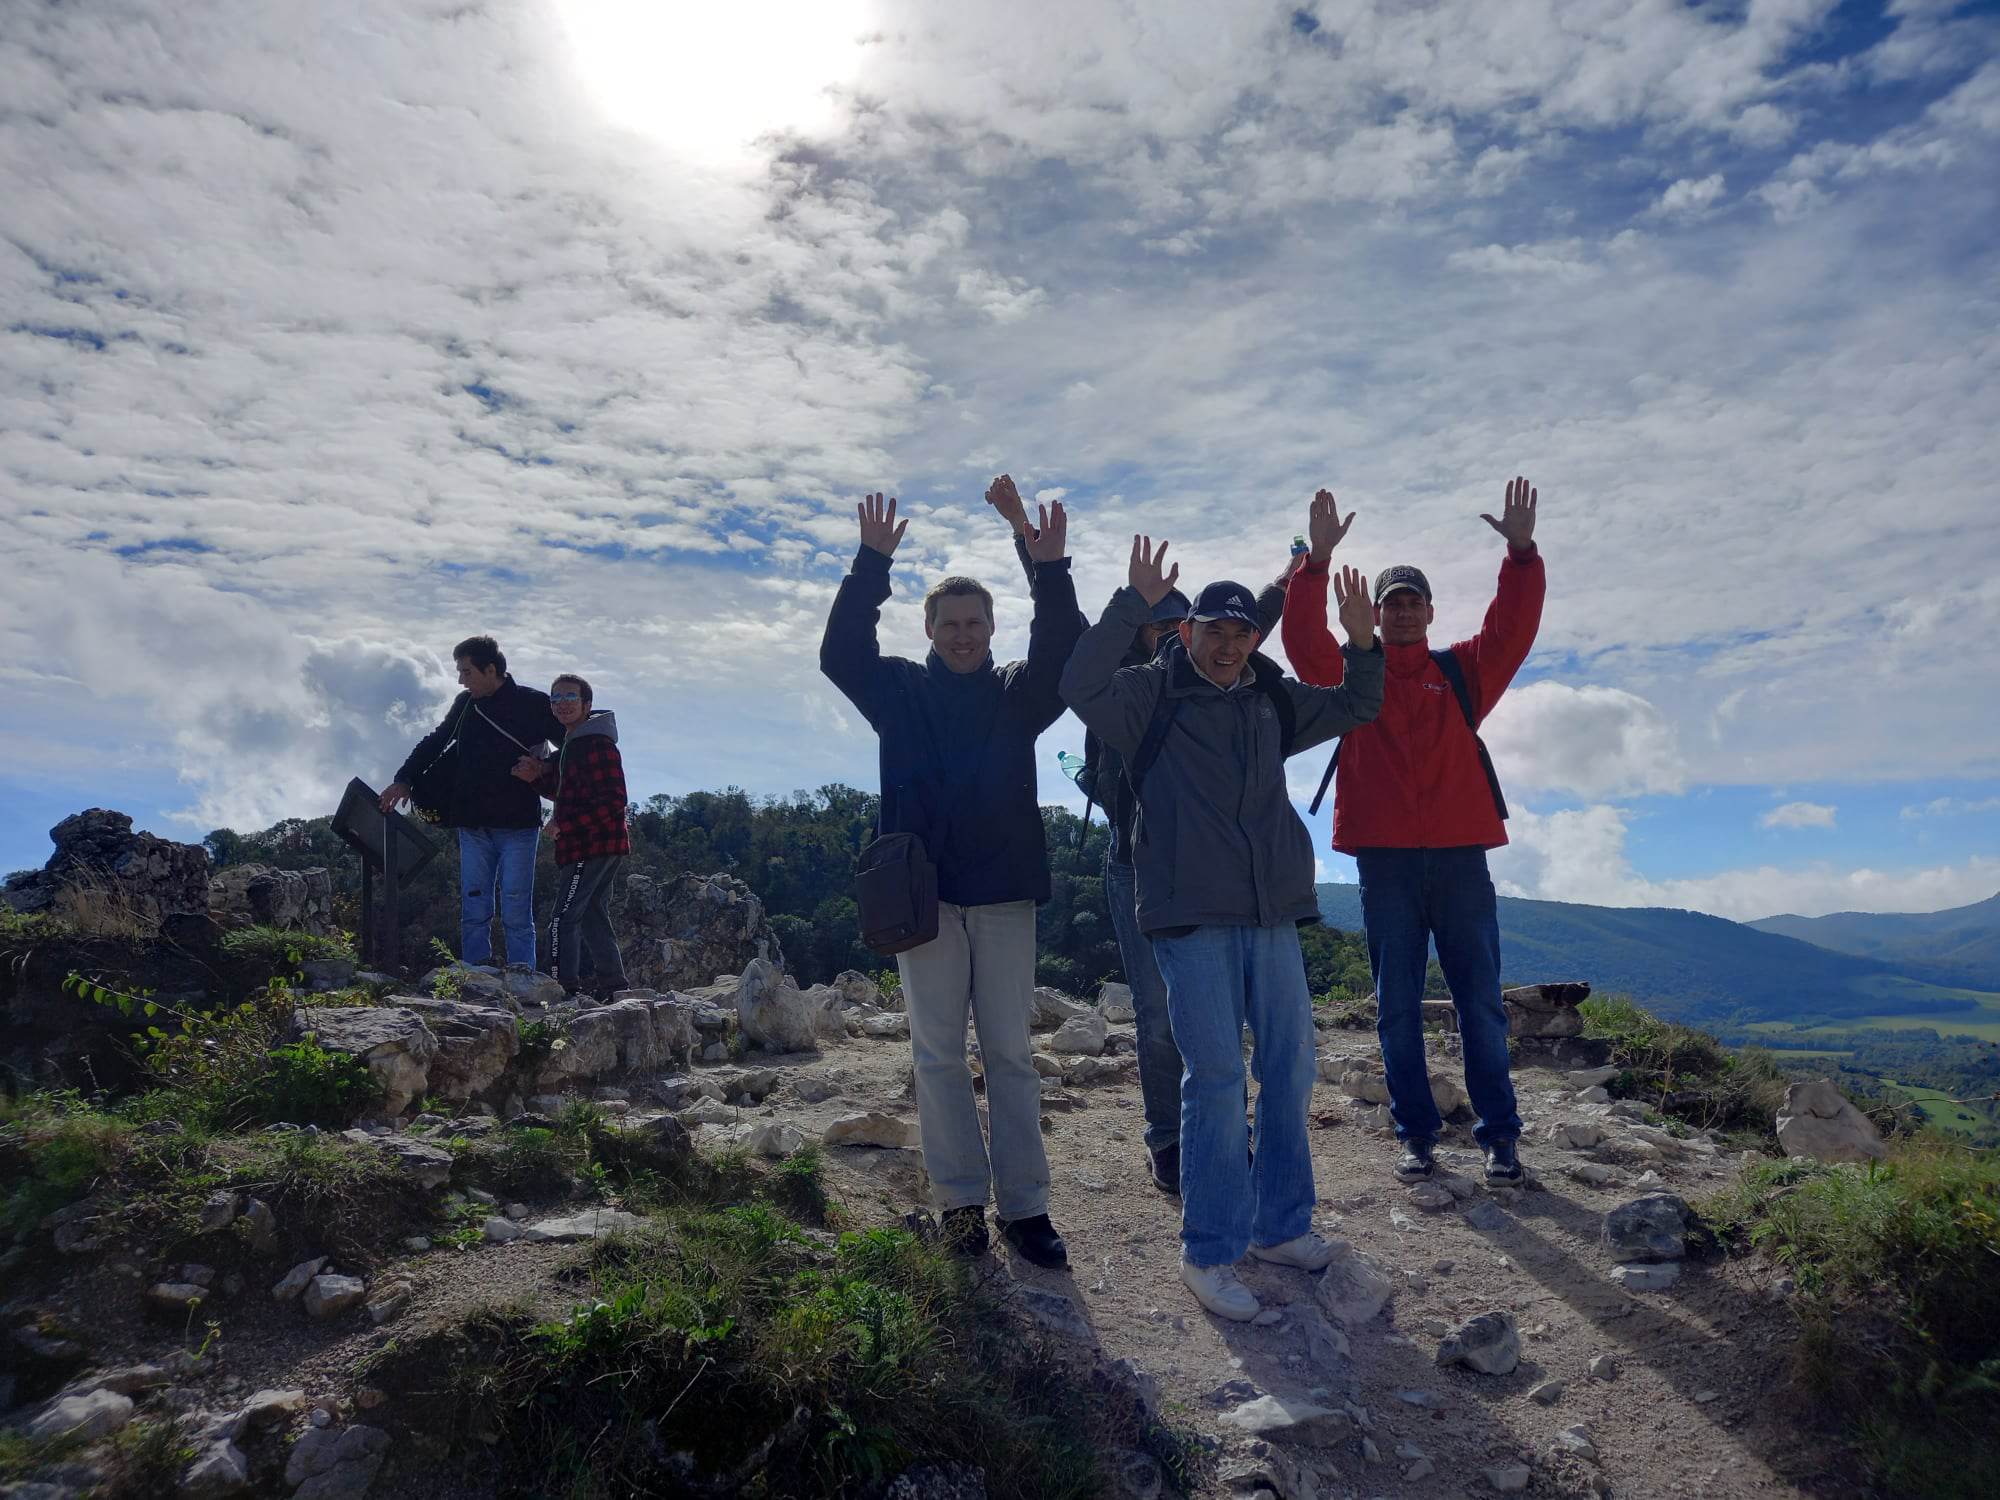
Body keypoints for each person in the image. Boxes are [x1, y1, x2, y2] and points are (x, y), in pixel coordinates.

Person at [1061, 534, 1384, 1322]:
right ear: (1187, 632)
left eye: (1241, 634)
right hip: (1190, 916)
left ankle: (1279, 1228)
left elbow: (1357, 704)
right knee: (1213, 1078)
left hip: (1271, 911)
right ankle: (1208, 1251)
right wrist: (1128, 604)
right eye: (1215, 632)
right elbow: (1077, 683)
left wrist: (1362, 642)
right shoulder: (1148, 695)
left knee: (1289, 1069)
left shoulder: (1269, 697)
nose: (1230, 646)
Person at [819, 480, 1084, 1268]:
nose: (964, 635)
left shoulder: (1018, 695)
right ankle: (961, 1206)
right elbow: (840, 654)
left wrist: (1045, 564)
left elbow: (1063, 647)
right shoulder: (898, 689)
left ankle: (1026, 1210)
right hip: (922, 899)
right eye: (951, 623)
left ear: (992, 629)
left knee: (1009, 1053)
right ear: (928, 628)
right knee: (936, 1054)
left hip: (1003, 896)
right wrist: (871, 564)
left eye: (976, 623)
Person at [1280, 481, 1545, 1185]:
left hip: (1460, 858)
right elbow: (1301, 640)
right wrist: (1313, 567)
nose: (1400, 614)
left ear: (1429, 611)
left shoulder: (1463, 672)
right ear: (1374, 611)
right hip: (1387, 863)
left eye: (1410, 603)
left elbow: (1513, 626)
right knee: (1397, 1006)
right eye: (1389, 603)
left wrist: (1521, 555)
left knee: (1480, 1003)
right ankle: (1417, 1135)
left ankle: (1499, 1136)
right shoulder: (1348, 672)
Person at [1069, 559, 1298, 1197]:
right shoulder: (1130, 687)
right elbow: (1073, 652)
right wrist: (1037, 556)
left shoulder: (1206, 678)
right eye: (1159, 624)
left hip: (1201, 867)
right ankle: (1168, 1138)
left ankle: (1226, 1134)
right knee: (1158, 1013)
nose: (1171, 635)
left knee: (1215, 1017)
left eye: (1178, 622)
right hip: (1135, 863)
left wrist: (1289, 575)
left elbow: (1250, 627)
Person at [380, 636, 559, 969]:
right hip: (472, 822)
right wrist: (403, 779)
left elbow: (572, 748)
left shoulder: (534, 704)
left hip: (518, 824)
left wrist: (543, 768)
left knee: (517, 908)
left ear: (490, 669)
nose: (461, 680)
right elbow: (435, 741)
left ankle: (525, 982)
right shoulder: (466, 705)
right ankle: (476, 978)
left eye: (466, 672)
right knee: (474, 906)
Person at [513, 674, 631, 1002]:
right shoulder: (574, 744)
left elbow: (614, 799)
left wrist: (566, 825)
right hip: (600, 843)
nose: (562, 703)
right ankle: (616, 987)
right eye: (555, 698)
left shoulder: (596, 744)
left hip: (588, 845)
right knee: (592, 912)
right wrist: (536, 779)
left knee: (564, 917)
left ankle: (562, 989)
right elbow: (570, 793)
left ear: (587, 704)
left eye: (570, 697)